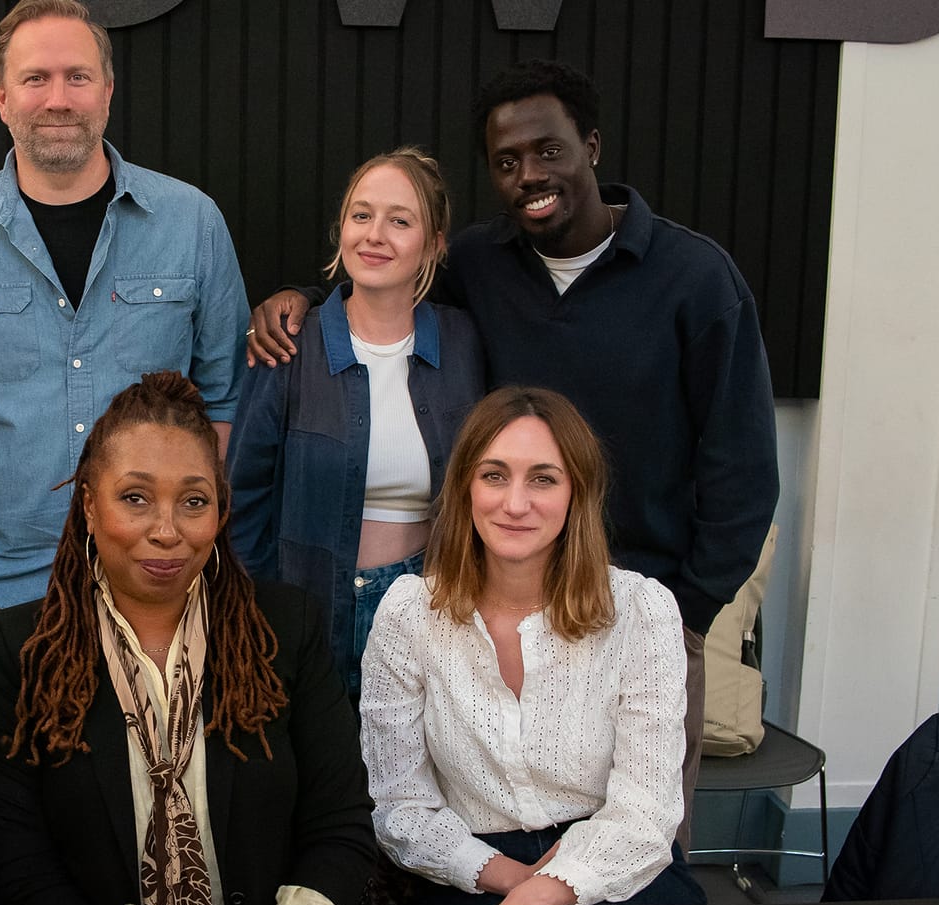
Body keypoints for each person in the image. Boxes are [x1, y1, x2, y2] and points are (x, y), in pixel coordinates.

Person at [250, 60, 778, 834]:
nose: (530, 175)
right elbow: (384, 280)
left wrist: (681, 614)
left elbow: (745, 472)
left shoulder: (696, 280)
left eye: (548, 151)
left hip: (640, 614)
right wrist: (302, 297)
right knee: (486, 838)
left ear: (591, 146)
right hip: (501, 614)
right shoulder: (479, 265)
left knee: (637, 853)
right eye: (506, 163)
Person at [0, 0, 250, 799]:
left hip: (156, 580)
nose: (58, 97)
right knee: (7, 820)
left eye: (77, 76)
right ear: (1, 97)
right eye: (36, 78)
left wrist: (195, 540)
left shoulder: (190, 222)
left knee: (160, 806)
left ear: (108, 92)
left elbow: (225, 395)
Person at [0, 372, 376, 905]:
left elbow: (340, 824)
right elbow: (17, 863)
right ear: (89, 507)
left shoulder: (285, 629)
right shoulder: (23, 649)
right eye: (134, 498)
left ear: (221, 509)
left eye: (193, 501)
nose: (167, 530)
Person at [360, 387, 705, 905]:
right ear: (465, 488)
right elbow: (401, 807)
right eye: (494, 475)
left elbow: (646, 810)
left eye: (543, 478)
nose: (515, 503)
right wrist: (509, 880)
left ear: (576, 493)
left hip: (614, 863)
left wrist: (549, 890)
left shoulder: (641, 611)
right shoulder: (409, 614)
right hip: (469, 868)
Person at [227, 148, 483, 698]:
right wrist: (258, 612)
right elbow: (243, 496)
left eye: (400, 220)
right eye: (361, 215)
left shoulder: (465, 344)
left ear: (434, 243)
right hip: (309, 610)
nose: (375, 235)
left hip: (434, 612)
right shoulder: (289, 345)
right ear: (340, 229)